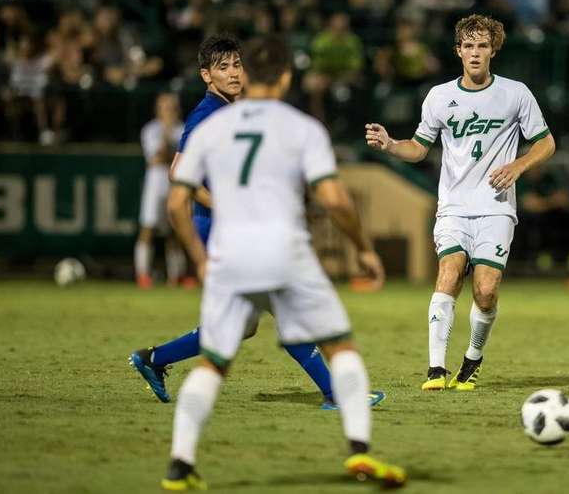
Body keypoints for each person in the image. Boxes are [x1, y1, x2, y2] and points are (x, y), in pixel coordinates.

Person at [160, 35, 405, 490]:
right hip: (284, 250)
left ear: (248, 72)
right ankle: (358, 453)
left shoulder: (214, 129)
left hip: (230, 252)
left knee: (214, 361)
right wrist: (364, 247)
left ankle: (180, 466)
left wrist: (198, 258)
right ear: (287, 76)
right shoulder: (301, 127)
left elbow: (176, 202)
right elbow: (333, 197)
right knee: (340, 345)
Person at [129, 34, 384, 410]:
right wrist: (223, 204)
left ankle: (154, 359)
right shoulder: (207, 113)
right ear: (206, 75)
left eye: (237, 65)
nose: (233, 73)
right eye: (223, 67)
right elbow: (177, 171)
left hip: (232, 230)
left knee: (242, 325)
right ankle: (338, 393)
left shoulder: (234, 108)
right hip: (216, 227)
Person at [365, 14, 556, 391]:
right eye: (468, 46)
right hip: (452, 206)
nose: (474, 53)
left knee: (485, 291)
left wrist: (519, 165)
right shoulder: (439, 96)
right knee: (449, 274)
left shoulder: (516, 93)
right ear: (457, 51)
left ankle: (472, 358)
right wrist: (389, 145)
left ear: (493, 50)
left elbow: (546, 143)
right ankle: (436, 370)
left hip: (497, 207)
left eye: (482, 45)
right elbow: (418, 149)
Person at [134, 92, 186, 289]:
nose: (169, 111)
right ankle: (142, 274)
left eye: (172, 106)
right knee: (148, 227)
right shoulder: (151, 130)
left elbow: (183, 160)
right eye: (165, 107)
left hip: (175, 182)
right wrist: (166, 133)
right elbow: (156, 157)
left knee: (174, 231)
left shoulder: (183, 128)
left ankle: (175, 277)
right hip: (155, 182)